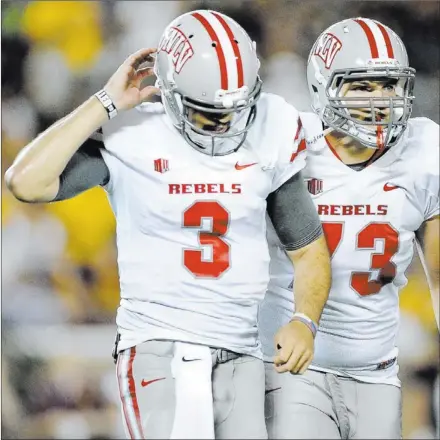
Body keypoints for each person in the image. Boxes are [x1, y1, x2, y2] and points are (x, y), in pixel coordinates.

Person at [5, 10, 332, 440]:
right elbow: (26, 183)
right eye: (207, 111)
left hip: (241, 348)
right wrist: (105, 102)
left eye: (234, 108)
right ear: (170, 92)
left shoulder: (270, 127)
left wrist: (304, 320)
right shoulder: (134, 135)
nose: (224, 123)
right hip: (158, 345)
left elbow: (309, 249)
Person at [259, 17, 439, 439]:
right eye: (362, 86)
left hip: (376, 371)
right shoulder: (287, 141)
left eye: (389, 85)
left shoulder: (424, 151)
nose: (380, 100)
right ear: (325, 86)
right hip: (291, 366)